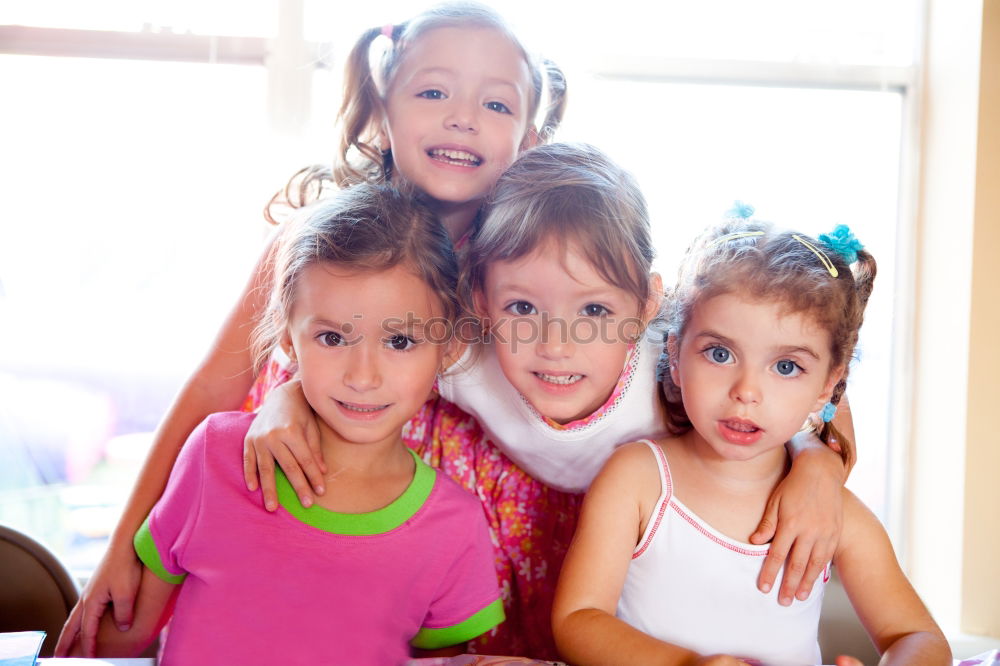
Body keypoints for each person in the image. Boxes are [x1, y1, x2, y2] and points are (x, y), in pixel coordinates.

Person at [56, 2, 565, 657]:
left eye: (496, 105)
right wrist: (125, 542)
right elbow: (214, 385)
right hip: (288, 511)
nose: (462, 117)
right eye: (434, 91)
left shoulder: (524, 270)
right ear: (383, 110)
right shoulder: (308, 240)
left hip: (436, 551)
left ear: (527, 138)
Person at [248, 146, 854, 656]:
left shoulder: (668, 361)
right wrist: (287, 401)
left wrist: (820, 462)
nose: (556, 345)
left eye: (593, 311)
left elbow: (792, 383)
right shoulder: (464, 356)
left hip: (652, 523)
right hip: (537, 513)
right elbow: (359, 356)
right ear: (481, 303)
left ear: (647, 305)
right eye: (522, 308)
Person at [71, 184, 505, 665]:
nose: (363, 377)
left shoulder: (455, 526)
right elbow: (117, 639)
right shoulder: (214, 455)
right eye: (332, 337)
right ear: (288, 339)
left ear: (447, 348)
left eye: (400, 342)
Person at [551, 215, 951, 665]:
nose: (746, 390)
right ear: (676, 357)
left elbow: (920, 638)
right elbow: (577, 619)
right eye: (720, 354)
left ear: (828, 385)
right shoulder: (638, 480)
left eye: (785, 366)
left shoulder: (836, 516)